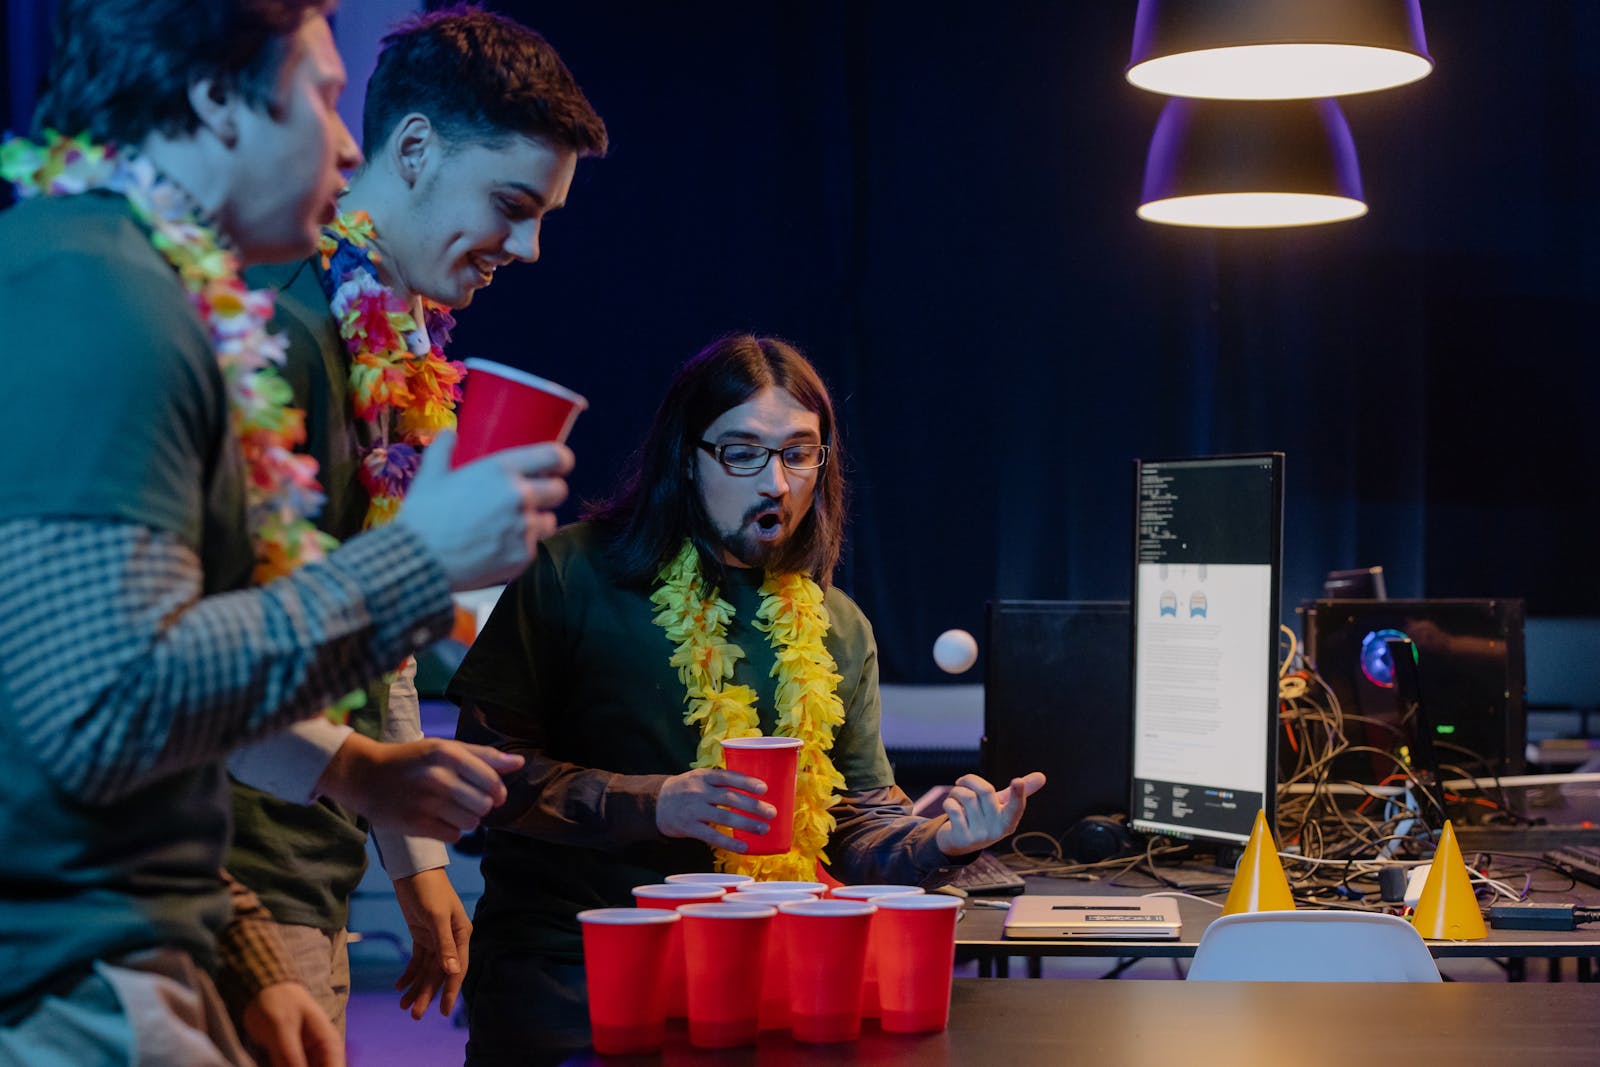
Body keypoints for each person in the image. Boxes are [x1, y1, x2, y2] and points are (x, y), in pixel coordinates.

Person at [0, 1, 569, 1063]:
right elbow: (103, 709)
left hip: (156, 936)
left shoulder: (123, 283)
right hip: (69, 975)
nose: (346, 138)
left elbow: (124, 734)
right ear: (216, 99)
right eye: (318, 90)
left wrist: (240, 949)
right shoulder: (96, 295)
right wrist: (421, 562)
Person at [448, 334, 1046, 1064]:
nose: (777, 483)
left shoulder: (836, 622)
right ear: (685, 456)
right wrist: (653, 801)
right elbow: (481, 773)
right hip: (572, 987)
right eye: (742, 452)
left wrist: (942, 841)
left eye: (799, 453)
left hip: (758, 990)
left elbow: (855, 816)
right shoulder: (570, 573)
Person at [224, 4, 609, 1037]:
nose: (526, 246)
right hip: (231, 879)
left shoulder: (395, 352)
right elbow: (204, 651)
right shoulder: (282, 332)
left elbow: (373, 639)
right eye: (512, 202)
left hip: (308, 868)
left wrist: (416, 861)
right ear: (411, 147)